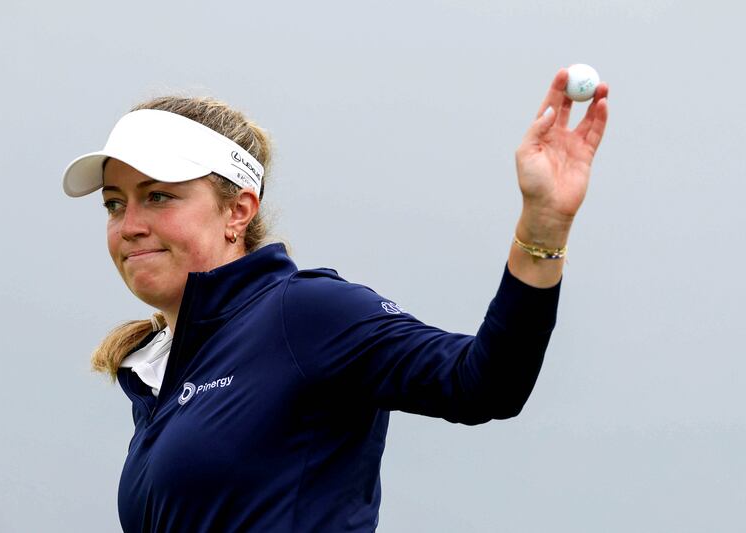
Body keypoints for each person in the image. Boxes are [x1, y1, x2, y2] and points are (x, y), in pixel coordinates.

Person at [62, 69, 608, 532]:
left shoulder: (306, 314)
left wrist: (544, 227)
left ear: (238, 211)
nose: (130, 225)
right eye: (114, 204)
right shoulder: (156, 374)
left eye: (159, 196)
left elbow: (484, 382)